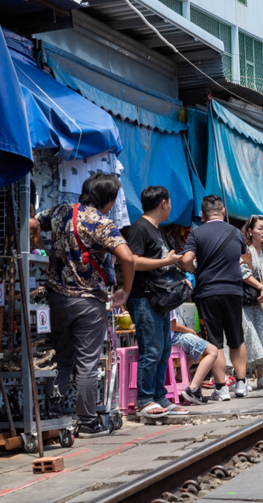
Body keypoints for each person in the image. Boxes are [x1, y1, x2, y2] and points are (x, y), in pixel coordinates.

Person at [35, 173, 134, 437]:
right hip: (88, 302)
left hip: (56, 299)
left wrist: (40, 247)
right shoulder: (102, 223)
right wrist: (126, 289)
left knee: (61, 360)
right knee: (87, 364)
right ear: (110, 199)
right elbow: (128, 257)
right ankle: (88, 422)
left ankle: (54, 414)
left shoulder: (60, 212)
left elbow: (34, 223)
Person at [126, 186, 190, 419]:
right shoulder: (139, 228)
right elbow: (132, 260)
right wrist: (166, 261)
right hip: (143, 297)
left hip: (158, 299)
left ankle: (160, 397)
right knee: (151, 351)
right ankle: (144, 400)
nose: (171, 207)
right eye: (170, 202)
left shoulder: (156, 229)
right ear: (164, 202)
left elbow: (160, 263)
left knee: (163, 350)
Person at [180, 196, 250, 397]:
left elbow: (186, 260)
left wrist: (193, 268)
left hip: (207, 292)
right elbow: (245, 254)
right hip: (233, 291)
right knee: (237, 339)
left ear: (202, 215)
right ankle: (241, 384)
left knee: (214, 340)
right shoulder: (235, 233)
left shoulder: (196, 233)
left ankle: (221, 388)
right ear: (223, 211)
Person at [237, 215, 263, 388]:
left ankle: (260, 377)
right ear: (250, 231)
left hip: (260, 304)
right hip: (246, 302)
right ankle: (244, 378)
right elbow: (243, 273)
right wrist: (261, 288)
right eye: (259, 228)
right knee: (249, 339)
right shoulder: (245, 251)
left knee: (262, 337)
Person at [170, 310, 230, 402]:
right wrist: (190, 331)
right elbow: (172, 325)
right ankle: (193, 389)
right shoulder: (167, 298)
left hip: (165, 338)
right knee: (212, 351)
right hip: (173, 337)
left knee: (194, 351)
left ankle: (179, 379)